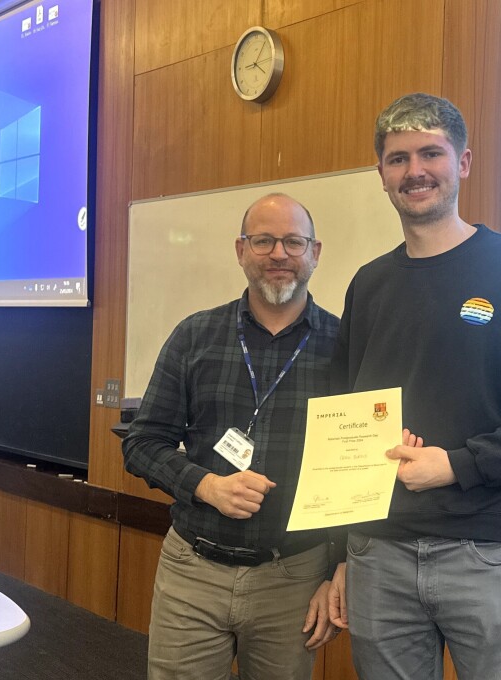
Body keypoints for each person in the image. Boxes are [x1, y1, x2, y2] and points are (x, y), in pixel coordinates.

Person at [326, 93, 501, 680]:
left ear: (465, 162)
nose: (415, 170)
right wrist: (340, 554)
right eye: (398, 158)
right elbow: (343, 414)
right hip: (377, 553)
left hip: (487, 552)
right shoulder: (368, 285)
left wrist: (456, 465)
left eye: (431, 153)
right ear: (382, 174)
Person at [123, 193, 341, 680]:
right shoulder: (194, 336)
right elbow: (141, 444)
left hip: (295, 576)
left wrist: (339, 569)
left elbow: (358, 469)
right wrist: (206, 485)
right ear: (241, 250)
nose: (279, 254)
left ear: (315, 252)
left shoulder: (344, 346)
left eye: (293, 242)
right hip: (193, 569)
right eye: (263, 241)